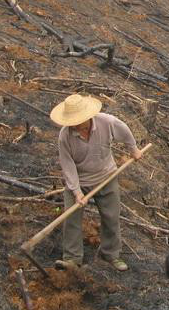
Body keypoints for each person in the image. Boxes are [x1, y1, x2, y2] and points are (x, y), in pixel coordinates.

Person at [51, 94, 144, 271]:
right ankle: (72, 258)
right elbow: (68, 166)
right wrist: (77, 192)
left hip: (106, 177)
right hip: (79, 181)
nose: (76, 125)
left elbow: (124, 130)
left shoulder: (106, 122)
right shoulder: (65, 136)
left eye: (79, 121)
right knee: (71, 218)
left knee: (111, 217)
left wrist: (133, 148)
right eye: (73, 121)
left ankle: (111, 254)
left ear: (87, 116)